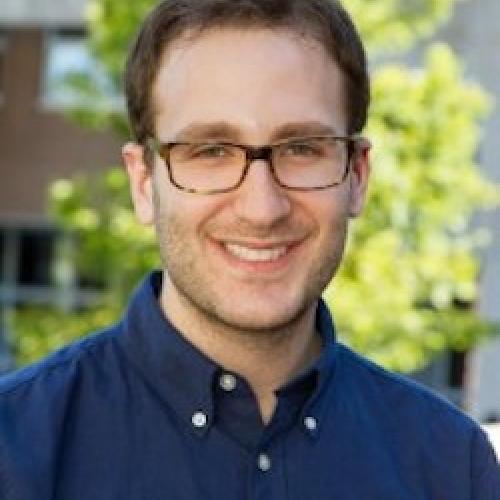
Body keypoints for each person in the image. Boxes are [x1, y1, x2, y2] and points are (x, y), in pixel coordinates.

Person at [0, 0, 498, 498]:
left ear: (357, 175)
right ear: (144, 182)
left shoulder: (452, 466)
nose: (262, 209)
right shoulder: (14, 452)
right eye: (211, 151)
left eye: (302, 148)